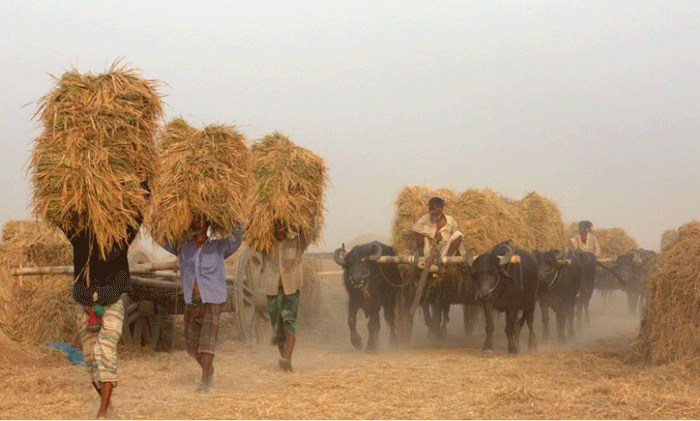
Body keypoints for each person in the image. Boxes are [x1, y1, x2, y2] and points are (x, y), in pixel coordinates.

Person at [61, 179, 149, 420]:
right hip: (85, 306)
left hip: (111, 305)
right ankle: (107, 404)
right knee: (90, 359)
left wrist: (144, 181)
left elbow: (138, 213)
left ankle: (102, 412)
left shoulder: (120, 240)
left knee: (105, 352)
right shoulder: (80, 240)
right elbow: (61, 216)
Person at [162, 217, 243, 392]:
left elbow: (236, 239)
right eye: (194, 221)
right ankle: (209, 369)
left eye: (201, 221)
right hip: (192, 299)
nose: (197, 224)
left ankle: (205, 381)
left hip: (212, 299)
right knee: (192, 346)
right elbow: (162, 239)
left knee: (207, 341)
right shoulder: (183, 247)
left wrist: (233, 218)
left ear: (208, 224)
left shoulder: (218, 246)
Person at [262, 220, 308, 372]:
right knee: (277, 327)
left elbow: (310, 232)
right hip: (272, 289)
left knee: (289, 321)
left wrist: (311, 214)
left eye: (282, 226)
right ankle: (284, 360)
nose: (280, 230)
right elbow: (250, 238)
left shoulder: (297, 243)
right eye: (276, 227)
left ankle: (287, 358)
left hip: (291, 288)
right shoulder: (265, 244)